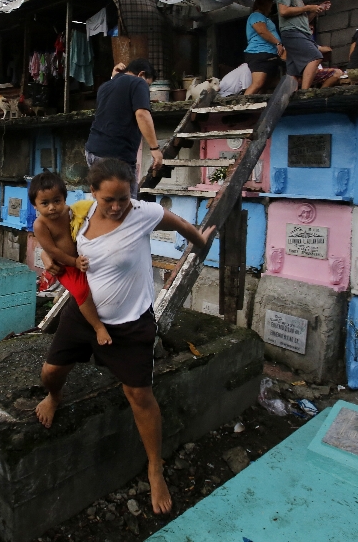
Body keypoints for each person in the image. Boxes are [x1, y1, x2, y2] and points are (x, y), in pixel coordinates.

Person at [35, 158, 215, 515]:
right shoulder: (80, 215)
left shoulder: (143, 213)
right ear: (93, 195)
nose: (117, 207)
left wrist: (201, 243)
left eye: (124, 198)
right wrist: (47, 255)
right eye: (109, 200)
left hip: (131, 322)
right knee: (50, 374)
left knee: (138, 394)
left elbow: (179, 223)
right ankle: (54, 398)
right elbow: (50, 236)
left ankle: (154, 466)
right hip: (82, 314)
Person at [29, 171, 110, 346]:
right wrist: (73, 262)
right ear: (34, 205)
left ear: (65, 199)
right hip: (65, 267)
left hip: (81, 261)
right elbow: (52, 250)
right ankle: (98, 327)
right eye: (45, 203)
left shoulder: (71, 212)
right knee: (81, 293)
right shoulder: (40, 225)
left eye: (56, 201)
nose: (52, 207)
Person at [85, 58, 161, 198]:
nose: (147, 88)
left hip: (92, 151)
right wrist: (154, 148)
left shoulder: (105, 86)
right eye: (148, 84)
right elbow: (142, 114)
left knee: (104, 201)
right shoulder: (138, 82)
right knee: (126, 206)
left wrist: (115, 77)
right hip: (115, 156)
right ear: (141, 74)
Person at [276, 0, 331, 90]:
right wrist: (307, 7)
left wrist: (315, 10)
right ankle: (305, 92)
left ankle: (290, 96)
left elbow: (303, 21)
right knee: (316, 56)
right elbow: (283, 11)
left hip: (299, 31)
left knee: (293, 72)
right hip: (293, 32)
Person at [243, 0, 285, 95]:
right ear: (264, 5)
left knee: (265, 85)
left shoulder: (264, 17)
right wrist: (277, 43)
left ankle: (259, 109)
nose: (271, 9)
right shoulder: (256, 15)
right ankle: (242, 106)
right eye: (270, 5)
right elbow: (262, 31)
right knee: (258, 83)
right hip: (259, 52)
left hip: (269, 53)